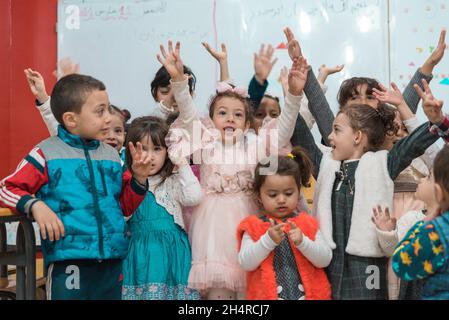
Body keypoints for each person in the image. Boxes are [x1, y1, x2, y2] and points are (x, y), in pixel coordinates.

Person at [159, 39, 307, 299]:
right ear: (211, 119)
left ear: (247, 122)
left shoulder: (258, 145)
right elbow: (188, 112)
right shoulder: (205, 142)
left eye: (238, 115)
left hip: (249, 221)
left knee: (251, 289)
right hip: (212, 228)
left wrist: (293, 96)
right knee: (219, 291)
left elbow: (283, 131)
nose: (230, 118)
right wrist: (179, 81)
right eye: (223, 113)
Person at [0, 74, 152, 300]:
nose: (109, 118)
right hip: (68, 261)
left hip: (111, 263)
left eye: (108, 109)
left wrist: (139, 180)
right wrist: (35, 205)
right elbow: (7, 188)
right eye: (100, 111)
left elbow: (125, 209)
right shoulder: (46, 153)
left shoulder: (112, 156)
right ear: (71, 119)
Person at [121, 116, 202, 300]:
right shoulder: (125, 181)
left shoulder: (172, 181)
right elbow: (122, 216)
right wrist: (137, 180)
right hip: (140, 256)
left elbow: (194, 197)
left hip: (174, 255)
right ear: (131, 150)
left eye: (157, 149)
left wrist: (180, 162)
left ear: (167, 152)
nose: (150, 156)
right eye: (143, 149)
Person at [237, 147, 332, 300]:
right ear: (259, 196)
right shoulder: (253, 227)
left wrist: (303, 242)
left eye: (288, 193)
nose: (281, 199)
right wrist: (267, 241)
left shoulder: (307, 223)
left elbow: (325, 259)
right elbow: (245, 263)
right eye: (273, 194)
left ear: (298, 191)